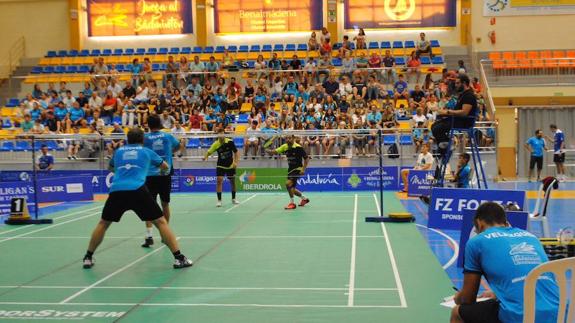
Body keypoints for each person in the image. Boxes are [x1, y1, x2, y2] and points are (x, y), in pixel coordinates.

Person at [82, 128, 193, 269]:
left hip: (117, 190)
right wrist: (156, 171)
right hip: (137, 189)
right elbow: (165, 167)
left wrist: (125, 173)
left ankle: (88, 257)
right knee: (160, 222)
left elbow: (111, 168)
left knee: (103, 223)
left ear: (128, 139)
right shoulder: (147, 152)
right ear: (143, 140)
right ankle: (179, 258)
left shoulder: (119, 152)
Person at [450, 202, 559, 323]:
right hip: (559, 313)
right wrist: (497, 294)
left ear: (479, 224)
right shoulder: (532, 237)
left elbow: (468, 298)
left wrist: (458, 297)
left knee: (457, 312)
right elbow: (527, 276)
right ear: (506, 222)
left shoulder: (476, 242)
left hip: (520, 316)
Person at [141, 115, 181, 248]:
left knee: (148, 205)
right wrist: (169, 152)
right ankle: (165, 234)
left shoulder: (145, 138)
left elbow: (141, 152)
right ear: (160, 124)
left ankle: (149, 236)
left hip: (149, 175)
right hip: (165, 174)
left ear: (148, 125)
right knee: (165, 204)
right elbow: (178, 146)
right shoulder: (167, 136)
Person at [432, 74, 478, 156]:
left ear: (464, 83)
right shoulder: (462, 95)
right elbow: (457, 110)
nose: (455, 85)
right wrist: (444, 112)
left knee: (437, 128)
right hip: (457, 119)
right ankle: (446, 147)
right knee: (433, 126)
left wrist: (449, 112)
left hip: (464, 122)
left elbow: (464, 112)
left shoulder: (469, 96)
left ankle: (445, 150)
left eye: (457, 83)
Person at [267, 135, 310, 210]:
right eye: (286, 138)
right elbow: (275, 152)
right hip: (290, 169)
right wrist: (269, 151)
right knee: (292, 188)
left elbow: (306, 159)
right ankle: (304, 199)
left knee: (287, 184)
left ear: (293, 139)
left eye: (290, 138)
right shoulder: (285, 146)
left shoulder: (298, 147)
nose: (288, 139)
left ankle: (292, 203)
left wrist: (303, 169)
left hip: (297, 168)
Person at [203, 128, 240, 207]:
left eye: (222, 134)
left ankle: (233, 199)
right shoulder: (216, 144)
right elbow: (209, 152)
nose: (221, 136)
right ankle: (219, 200)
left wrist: (236, 162)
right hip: (220, 165)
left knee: (232, 182)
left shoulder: (229, 142)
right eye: (219, 134)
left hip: (230, 165)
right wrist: (205, 157)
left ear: (224, 134)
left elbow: (236, 152)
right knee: (219, 181)